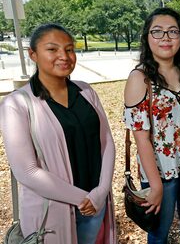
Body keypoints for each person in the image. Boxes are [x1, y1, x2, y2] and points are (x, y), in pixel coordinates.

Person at [0, 23, 117, 243]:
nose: (64, 56)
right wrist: (83, 198)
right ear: (33, 54)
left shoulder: (86, 92)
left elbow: (107, 142)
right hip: (53, 211)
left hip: (95, 205)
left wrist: (101, 191)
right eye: (52, 49)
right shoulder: (17, 104)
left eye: (70, 49)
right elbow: (26, 171)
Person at [123, 7, 180, 244]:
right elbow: (141, 138)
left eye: (173, 31)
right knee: (160, 231)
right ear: (147, 37)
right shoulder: (140, 78)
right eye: (157, 32)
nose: (166, 38)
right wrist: (155, 184)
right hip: (161, 170)